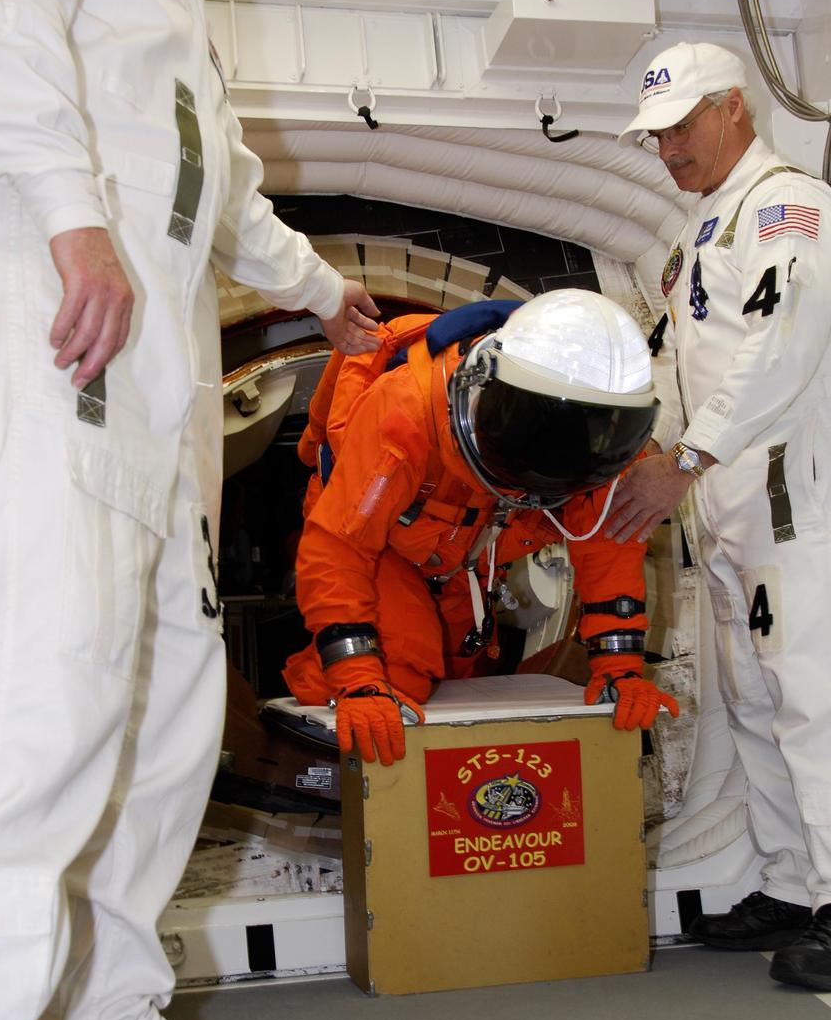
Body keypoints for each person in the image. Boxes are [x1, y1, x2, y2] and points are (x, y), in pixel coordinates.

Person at [0, 0, 382, 1020]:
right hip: (60, 343)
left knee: (162, 732)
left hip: (162, 402)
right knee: (38, 727)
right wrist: (69, 215)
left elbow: (223, 188)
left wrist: (324, 294)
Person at [607, 40, 831, 992]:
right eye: (656, 136)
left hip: (791, 500)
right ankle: (790, 882)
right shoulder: (704, 230)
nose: (670, 149)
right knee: (750, 699)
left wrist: (687, 460)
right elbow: (688, 365)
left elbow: (782, 349)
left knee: (813, 702)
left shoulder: (788, 209)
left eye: (684, 126)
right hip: (729, 509)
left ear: (735, 107)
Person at [284, 290, 679, 766]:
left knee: (461, 678)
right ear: (485, 387)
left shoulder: (596, 436)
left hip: (463, 550)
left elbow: (606, 541)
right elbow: (341, 546)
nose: (541, 481)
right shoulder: (405, 413)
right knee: (401, 671)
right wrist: (357, 676)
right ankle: (324, 736)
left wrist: (620, 667)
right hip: (378, 538)